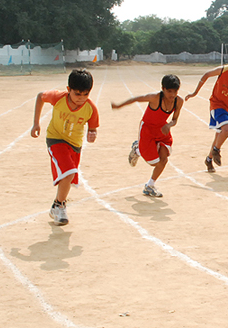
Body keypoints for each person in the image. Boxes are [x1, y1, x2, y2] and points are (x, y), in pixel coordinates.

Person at [30, 69, 99, 225]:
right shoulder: (58, 97)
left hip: (75, 144)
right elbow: (40, 96)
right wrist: (36, 123)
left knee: (68, 177)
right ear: (68, 89)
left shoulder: (91, 108)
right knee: (69, 172)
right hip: (55, 138)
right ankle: (60, 206)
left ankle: (57, 205)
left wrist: (92, 134)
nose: (81, 98)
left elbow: (93, 128)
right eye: (77, 94)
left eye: (86, 94)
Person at [112, 74, 184, 197]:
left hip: (162, 129)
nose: (172, 95)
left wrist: (169, 125)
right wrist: (119, 105)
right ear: (163, 89)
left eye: (175, 91)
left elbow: (175, 119)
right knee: (154, 163)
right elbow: (136, 99)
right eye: (169, 91)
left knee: (164, 159)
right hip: (147, 130)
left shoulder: (179, 101)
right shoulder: (155, 98)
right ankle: (137, 149)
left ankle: (150, 186)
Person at [185, 46, 228, 173]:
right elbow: (206, 74)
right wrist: (195, 93)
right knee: (227, 129)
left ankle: (209, 159)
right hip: (217, 104)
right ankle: (216, 150)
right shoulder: (224, 70)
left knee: (219, 135)